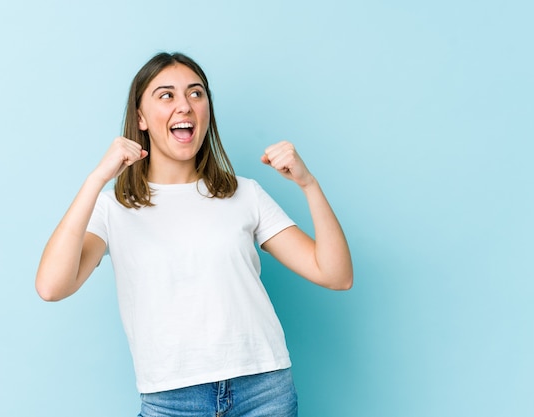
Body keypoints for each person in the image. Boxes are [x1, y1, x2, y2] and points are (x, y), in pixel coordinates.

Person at [35, 51, 353, 417]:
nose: (184, 106)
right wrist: (96, 179)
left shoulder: (244, 193)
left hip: (264, 392)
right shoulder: (114, 208)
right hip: (171, 400)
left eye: (196, 93)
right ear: (140, 117)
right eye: (166, 95)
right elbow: (51, 287)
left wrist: (308, 184)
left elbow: (336, 275)